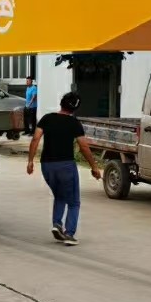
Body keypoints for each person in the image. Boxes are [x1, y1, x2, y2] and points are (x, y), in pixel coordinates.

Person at [26, 91, 101, 245]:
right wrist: (94, 167)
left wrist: (30, 161)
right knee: (73, 202)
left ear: (61, 103)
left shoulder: (47, 118)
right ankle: (69, 234)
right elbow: (84, 147)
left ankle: (57, 224)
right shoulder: (74, 123)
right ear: (75, 108)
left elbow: (35, 139)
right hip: (66, 165)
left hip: (47, 165)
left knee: (59, 195)